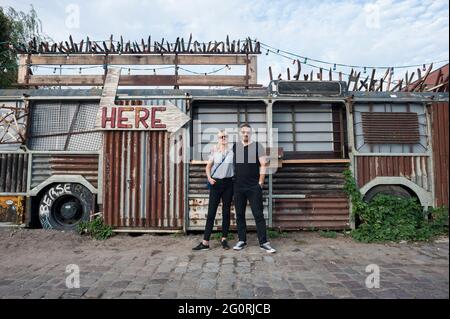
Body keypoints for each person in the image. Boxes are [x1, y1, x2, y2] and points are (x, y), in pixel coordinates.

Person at [232, 123, 276, 253]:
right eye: (243, 132)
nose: (246, 134)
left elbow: (263, 164)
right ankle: (241, 240)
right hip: (238, 186)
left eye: (248, 132)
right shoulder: (236, 147)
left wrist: (260, 182)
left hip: (253, 186)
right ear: (240, 133)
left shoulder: (257, 146)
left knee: (258, 214)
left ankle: (264, 242)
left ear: (251, 133)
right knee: (239, 214)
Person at [193, 130, 234, 251]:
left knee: (226, 212)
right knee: (211, 213)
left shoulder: (233, 152)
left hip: (229, 183)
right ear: (218, 139)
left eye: (225, 136)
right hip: (216, 183)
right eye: (221, 137)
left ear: (228, 138)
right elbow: (208, 167)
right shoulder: (214, 151)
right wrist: (209, 178)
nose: (223, 138)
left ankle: (224, 239)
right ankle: (205, 242)